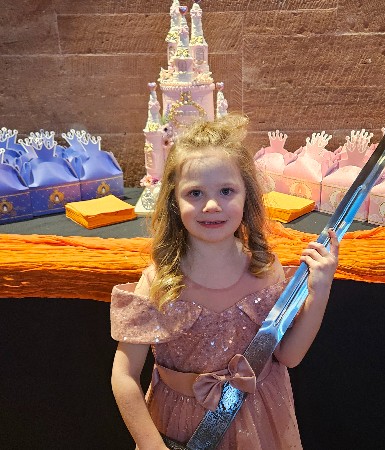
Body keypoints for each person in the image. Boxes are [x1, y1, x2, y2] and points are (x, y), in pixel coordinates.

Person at [110, 114, 339, 450]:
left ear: (247, 195)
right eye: (195, 193)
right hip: (180, 426)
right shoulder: (159, 283)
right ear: (174, 200)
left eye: (226, 191)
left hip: (260, 422)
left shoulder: (265, 270)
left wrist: (319, 290)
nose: (212, 205)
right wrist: (151, 446)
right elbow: (124, 376)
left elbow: (289, 356)